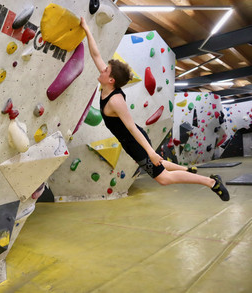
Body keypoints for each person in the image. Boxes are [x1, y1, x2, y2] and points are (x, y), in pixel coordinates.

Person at [80, 17, 229, 201]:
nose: (102, 70)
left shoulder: (116, 100)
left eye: (105, 70)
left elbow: (132, 128)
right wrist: (87, 29)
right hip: (133, 143)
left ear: (111, 80)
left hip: (136, 143)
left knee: (164, 178)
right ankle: (185, 169)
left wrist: (150, 152)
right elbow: (96, 55)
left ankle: (212, 182)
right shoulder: (107, 85)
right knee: (160, 165)